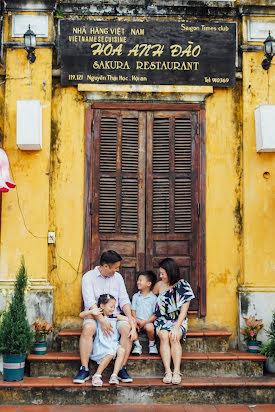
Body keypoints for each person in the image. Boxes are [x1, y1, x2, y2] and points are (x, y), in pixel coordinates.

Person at [73, 250, 136, 384]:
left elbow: (124, 299)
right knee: (88, 328)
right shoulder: (88, 277)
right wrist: (101, 320)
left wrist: (130, 318)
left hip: (115, 316)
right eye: (116, 267)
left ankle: (121, 368)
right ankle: (84, 368)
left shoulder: (117, 277)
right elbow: (90, 302)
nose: (117, 270)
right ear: (106, 266)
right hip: (94, 315)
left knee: (126, 329)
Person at [153, 258, 195, 385]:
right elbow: (148, 296)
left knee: (174, 338)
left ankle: (176, 371)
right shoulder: (159, 285)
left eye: (162, 273)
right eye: (160, 273)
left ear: (170, 272)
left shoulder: (183, 285)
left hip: (178, 320)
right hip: (162, 320)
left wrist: (176, 328)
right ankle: (167, 371)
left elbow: (184, 311)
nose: (160, 276)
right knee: (164, 336)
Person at [80, 294, 136, 386]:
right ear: (102, 306)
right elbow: (81, 315)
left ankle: (114, 375)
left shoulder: (114, 316)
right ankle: (97, 375)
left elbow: (130, 320)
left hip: (113, 343)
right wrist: (91, 311)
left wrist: (133, 330)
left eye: (114, 306)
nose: (113, 309)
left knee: (121, 350)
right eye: (111, 306)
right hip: (102, 344)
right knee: (110, 353)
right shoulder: (98, 316)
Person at [131, 270, 158, 355]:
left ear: (148, 284)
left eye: (140, 280)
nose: (138, 282)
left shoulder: (154, 298)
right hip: (137, 321)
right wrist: (136, 320)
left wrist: (145, 322)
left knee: (150, 328)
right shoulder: (136, 296)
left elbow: (155, 314)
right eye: (138, 280)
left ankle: (152, 345)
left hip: (148, 322)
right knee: (131, 326)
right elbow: (133, 310)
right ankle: (137, 345)